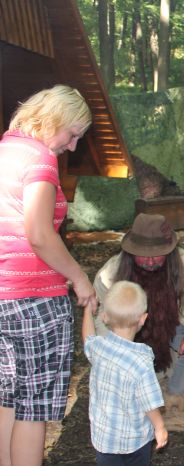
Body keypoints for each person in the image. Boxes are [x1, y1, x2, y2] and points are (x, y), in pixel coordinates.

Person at [0, 84, 97, 465]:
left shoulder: (6, 150)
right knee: (34, 408)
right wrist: (79, 277)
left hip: (4, 296)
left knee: (8, 398)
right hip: (35, 300)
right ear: (53, 119)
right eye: (72, 134)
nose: (72, 146)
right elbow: (39, 234)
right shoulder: (40, 159)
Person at [93, 213, 184, 431]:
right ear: (131, 251)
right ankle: (136, 396)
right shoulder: (110, 274)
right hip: (128, 328)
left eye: (157, 255)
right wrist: (113, 351)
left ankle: (172, 396)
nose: (150, 262)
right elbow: (102, 314)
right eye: (144, 256)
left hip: (172, 323)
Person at [82, 280, 167, 465]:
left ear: (104, 317)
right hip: (134, 440)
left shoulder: (98, 348)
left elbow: (87, 338)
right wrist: (159, 427)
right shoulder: (140, 362)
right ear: (143, 319)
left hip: (104, 439)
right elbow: (149, 402)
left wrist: (87, 311)